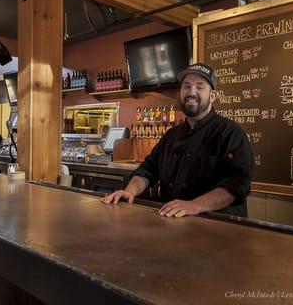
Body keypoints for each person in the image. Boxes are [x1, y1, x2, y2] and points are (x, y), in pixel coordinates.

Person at [102, 63, 254, 217]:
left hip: (218, 229)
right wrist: (129, 191)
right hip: (173, 225)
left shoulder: (230, 133)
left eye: (200, 87)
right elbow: (148, 169)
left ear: (212, 96)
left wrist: (195, 205)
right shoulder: (171, 136)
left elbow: (237, 184)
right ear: (180, 93)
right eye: (186, 86)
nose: (191, 92)